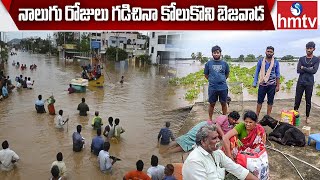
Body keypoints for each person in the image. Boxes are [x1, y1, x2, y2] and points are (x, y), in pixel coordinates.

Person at [182, 125, 258, 180]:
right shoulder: (194, 161)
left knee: (249, 173)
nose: (218, 140)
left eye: (218, 137)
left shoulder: (217, 153)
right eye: (214, 138)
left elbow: (236, 169)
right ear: (203, 142)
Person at [294, 41, 320, 124]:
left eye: (310, 48)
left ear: (314, 49)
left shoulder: (316, 59)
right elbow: (298, 70)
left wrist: (303, 67)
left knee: (308, 100)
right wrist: (309, 68)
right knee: (297, 99)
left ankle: (307, 117)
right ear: (305, 49)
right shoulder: (302, 58)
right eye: (307, 48)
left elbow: (314, 71)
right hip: (301, 82)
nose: (308, 50)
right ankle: (295, 114)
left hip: (309, 83)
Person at [253, 46, 280, 117]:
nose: (269, 53)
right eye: (268, 51)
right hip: (262, 84)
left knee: (270, 102)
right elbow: (256, 72)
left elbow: (277, 74)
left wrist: (277, 86)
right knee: (259, 101)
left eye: (271, 52)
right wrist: (255, 82)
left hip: (272, 85)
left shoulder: (276, 62)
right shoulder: (261, 61)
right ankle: (256, 116)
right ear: (265, 52)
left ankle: (268, 117)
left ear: (273, 53)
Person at [204, 45, 230, 120]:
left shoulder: (225, 63)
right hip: (212, 88)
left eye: (217, 52)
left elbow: (227, 74)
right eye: (214, 53)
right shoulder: (208, 64)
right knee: (212, 104)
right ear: (212, 54)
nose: (216, 54)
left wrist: (221, 80)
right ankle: (210, 119)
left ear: (220, 53)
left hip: (223, 88)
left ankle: (224, 118)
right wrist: (212, 80)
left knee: (224, 103)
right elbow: (206, 75)